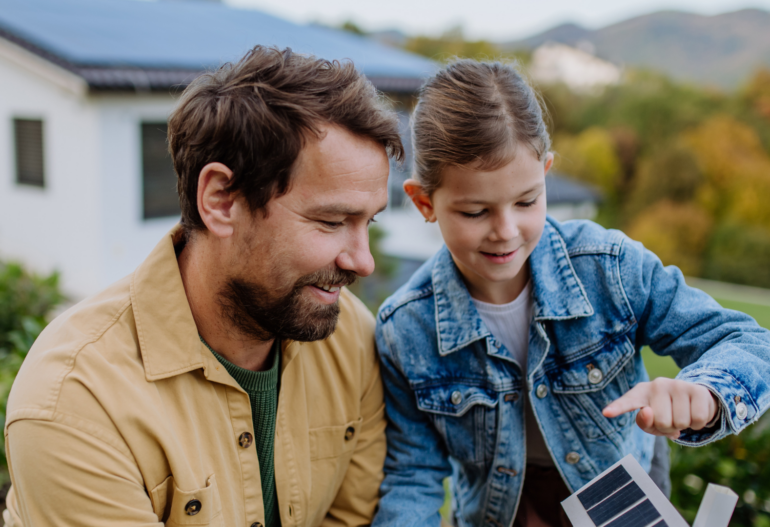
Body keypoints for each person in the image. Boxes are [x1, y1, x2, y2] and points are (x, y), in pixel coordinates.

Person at [3, 46, 403, 527]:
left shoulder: (352, 338)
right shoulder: (75, 401)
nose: (362, 260)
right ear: (220, 200)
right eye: (331, 220)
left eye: (368, 221)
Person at [371, 59, 770, 527]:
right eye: (476, 212)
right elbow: (413, 473)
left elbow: (749, 343)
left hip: (628, 510)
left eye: (526, 201)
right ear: (424, 202)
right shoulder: (405, 329)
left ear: (546, 171)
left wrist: (706, 392)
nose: (506, 231)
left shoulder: (612, 268)